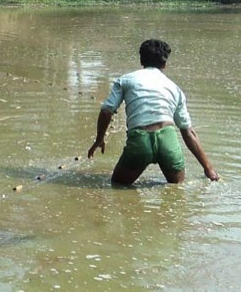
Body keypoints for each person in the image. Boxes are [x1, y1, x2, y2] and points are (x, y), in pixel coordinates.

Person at [88, 39, 219, 185]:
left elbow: (107, 111)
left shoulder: (125, 80)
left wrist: (99, 139)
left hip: (140, 141)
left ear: (141, 60)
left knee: (118, 186)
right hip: (168, 141)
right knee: (177, 189)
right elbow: (188, 132)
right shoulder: (174, 88)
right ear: (165, 64)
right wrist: (209, 169)